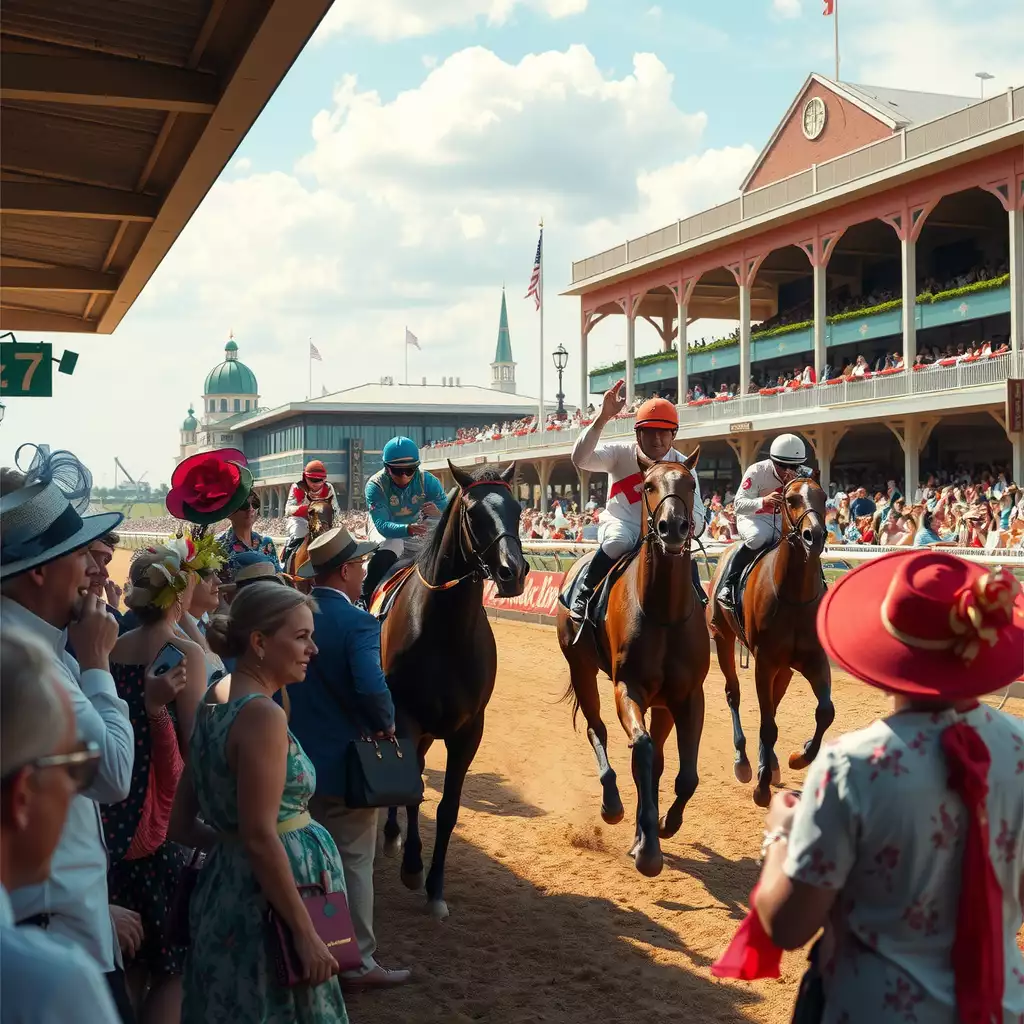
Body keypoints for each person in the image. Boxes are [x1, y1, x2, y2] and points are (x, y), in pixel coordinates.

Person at [716, 550, 1024, 1023]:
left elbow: (788, 925)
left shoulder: (849, 764)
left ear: (889, 649)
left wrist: (779, 833)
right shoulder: (1020, 746)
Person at [170, 583, 349, 1023]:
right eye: (302, 636)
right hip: (271, 905)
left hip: (227, 892)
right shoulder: (261, 714)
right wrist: (305, 934)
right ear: (260, 642)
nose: (313, 649)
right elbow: (259, 833)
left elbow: (182, 825)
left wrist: (233, 846)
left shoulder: (215, 697)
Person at [0, 460, 136, 1017]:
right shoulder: (29, 662)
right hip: (53, 935)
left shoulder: (40, 648)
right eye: (81, 554)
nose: (92, 570)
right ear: (39, 571)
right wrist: (99, 663)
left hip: (60, 918)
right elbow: (112, 776)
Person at [290, 527, 411, 990]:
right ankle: (356, 960)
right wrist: (385, 721)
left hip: (297, 763)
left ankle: (312, 949)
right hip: (346, 764)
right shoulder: (359, 623)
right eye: (359, 565)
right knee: (354, 861)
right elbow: (371, 687)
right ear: (344, 571)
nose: (363, 572)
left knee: (308, 865)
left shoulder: (295, 612)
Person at [103, 543, 212, 1024]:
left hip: (112, 817)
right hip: (163, 821)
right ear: (176, 596)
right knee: (173, 967)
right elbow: (194, 748)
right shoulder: (185, 654)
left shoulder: (110, 648)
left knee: (124, 960)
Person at [1, 628, 122, 1024]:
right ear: (22, 796)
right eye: (74, 768)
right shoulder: (48, 984)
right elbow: (118, 774)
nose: (76, 791)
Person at [568, 379, 706, 630]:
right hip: (624, 524)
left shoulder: (683, 465)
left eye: (664, 431)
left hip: (661, 530)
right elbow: (580, 458)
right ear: (637, 433)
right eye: (650, 431)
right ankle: (585, 594)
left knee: (683, 552)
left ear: (674, 434)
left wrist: (692, 525)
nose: (657, 438)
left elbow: (697, 508)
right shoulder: (619, 453)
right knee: (618, 542)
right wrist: (601, 419)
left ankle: (702, 604)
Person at [717, 433, 809, 609]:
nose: (789, 470)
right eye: (783, 465)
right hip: (754, 518)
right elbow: (738, 505)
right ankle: (729, 585)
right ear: (773, 461)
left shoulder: (803, 476)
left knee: (805, 543)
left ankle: (819, 583)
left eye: (794, 466)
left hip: (784, 521)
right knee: (758, 538)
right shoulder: (756, 471)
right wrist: (763, 501)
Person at [360, 436, 448, 607]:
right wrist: (408, 529)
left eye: (410, 470)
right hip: (387, 528)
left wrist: (439, 511)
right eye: (398, 471)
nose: (404, 476)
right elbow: (382, 526)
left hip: (415, 526)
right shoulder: (375, 486)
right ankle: (365, 598)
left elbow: (448, 509)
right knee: (392, 544)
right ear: (386, 468)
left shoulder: (428, 481)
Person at [281, 460, 340, 569]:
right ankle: (286, 565)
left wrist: (335, 525)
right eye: (312, 480)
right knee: (298, 533)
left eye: (319, 480)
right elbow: (288, 510)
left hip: (322, 520)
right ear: (305, 477)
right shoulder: (297, 487)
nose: (316, 483)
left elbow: (335, 509)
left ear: (325, 479)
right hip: (300, 520)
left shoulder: (329, 488)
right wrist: (307, 509)